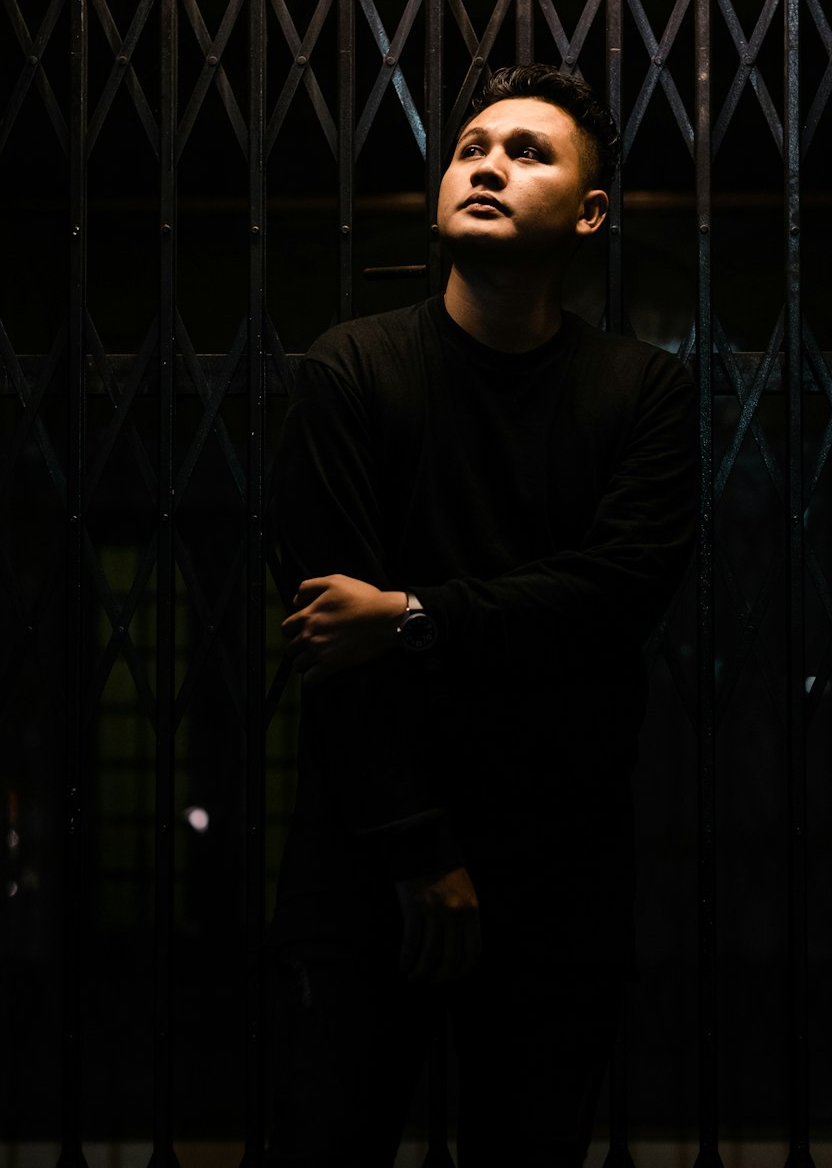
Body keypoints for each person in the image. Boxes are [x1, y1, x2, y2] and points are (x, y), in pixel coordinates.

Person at [266, 63, 698, 1168]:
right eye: (470, 148)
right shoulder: (349, 371)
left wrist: (410, 613)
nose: (489, 165)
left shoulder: (639, 391)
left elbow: (613, 598)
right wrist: (419, 854)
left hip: (558, 869)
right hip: (368, 863)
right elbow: (329, 641)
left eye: (528, 152)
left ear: (590, 213)